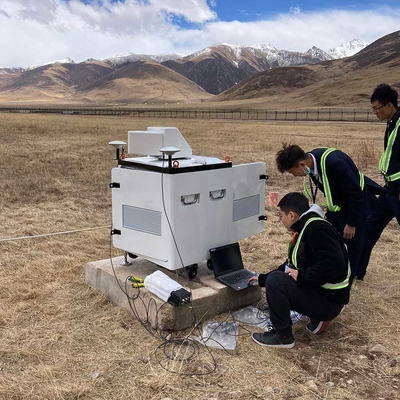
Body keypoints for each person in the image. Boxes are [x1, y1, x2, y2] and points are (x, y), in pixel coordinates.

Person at [249, 192, 350, 348]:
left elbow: (334, 263)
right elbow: (291, 264)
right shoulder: (306, 226)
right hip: (327, 295)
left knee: (276, 281)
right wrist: (262, 279)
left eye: (281, 216)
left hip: (330, 300)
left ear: (291, 215)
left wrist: (303, 277)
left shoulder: (316, 230)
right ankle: (318, 317)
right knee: (274, 278)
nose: (280, 220)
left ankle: (282, 336)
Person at [275, 143, 385, 281]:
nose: (295, 176)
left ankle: (347, 282)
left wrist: (351, 223)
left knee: (352, 246)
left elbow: (356, 195)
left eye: (292, 172)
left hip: (356, 207)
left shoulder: (335, 164)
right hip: (338, 207)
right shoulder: (312, 162)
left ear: (302, 164)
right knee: (328, 238)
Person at [357, 84, 400, 279]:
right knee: (369, 225)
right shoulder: (391, 123)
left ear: (389, 105)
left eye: (377, 108)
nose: (375, 112)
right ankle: (357, 270)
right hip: (389, 189)